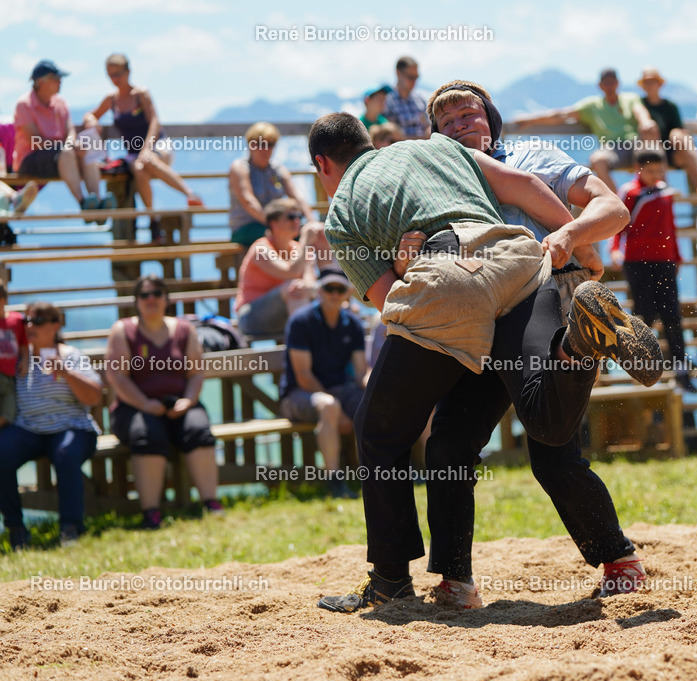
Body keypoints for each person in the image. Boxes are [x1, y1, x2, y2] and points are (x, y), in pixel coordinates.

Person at [307, 112, 662, 612]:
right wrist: (577, 243)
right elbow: (521, 185)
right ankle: (578, 345)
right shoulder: (434, 148)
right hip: (517, 261)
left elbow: (390, 302)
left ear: (322, 163)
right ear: (366, 140)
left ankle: (390, 580)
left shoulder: (341, 210)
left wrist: (412, 278)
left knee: (378, 430)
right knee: (536, 423)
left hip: (446, 275)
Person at [422, 80, 649, 607]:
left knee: (551, 448)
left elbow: (613, 209)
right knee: (449, 445)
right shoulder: (438, 179)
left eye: (469, 113)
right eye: (448, 121)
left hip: (537, 298)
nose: (461, 124)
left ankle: (619, 559)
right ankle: (456, 581)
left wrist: (570, 236)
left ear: (491, 118)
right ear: (436, 136)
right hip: (474, 319)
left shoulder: (531, 155)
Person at [105, 275, 223, 529]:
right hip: (134, 407)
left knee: (198, 429)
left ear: (166, 299)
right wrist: (145, 404)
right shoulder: (122, 330)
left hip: (180, 404)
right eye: (145, 295)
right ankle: (151, 512)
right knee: (147, 434)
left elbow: (196, 372)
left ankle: (210, 503)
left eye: (157, 293)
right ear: (136, 301)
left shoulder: (183, 329)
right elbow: (117, 377)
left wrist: (189, 401)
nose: (151, 299)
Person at [0, 302, 102, 548]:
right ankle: (16, 530)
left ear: (56, 325)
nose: (31, 326)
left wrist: (66, 372)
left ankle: (70, 528)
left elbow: (94, 397)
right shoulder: (17, 358)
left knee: (66, 453)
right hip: (29, 430)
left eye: (39, 321)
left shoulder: (71, 355)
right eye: (28, 321)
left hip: (72, 427)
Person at [84, 53, 203, 242]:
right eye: (111, 75)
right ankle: (154, 220)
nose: (115, 79)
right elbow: (90, 115)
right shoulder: (111, 99)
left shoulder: (140, 94)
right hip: (134, 154)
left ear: (128, 71)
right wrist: (91, 120)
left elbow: (155, 122)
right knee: (139, 168)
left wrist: (147, 147)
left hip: (158, 145)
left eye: (118, 74)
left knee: (146, 161)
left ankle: (190, 194)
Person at [612, 146, 697, 391]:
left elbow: (670, 227)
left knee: (672, 313)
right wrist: (615, 249)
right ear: (638, 169)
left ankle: (681, 368)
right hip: (637, 260)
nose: (655, 175)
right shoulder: (630, 192)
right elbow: (619, 222)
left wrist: (677, 256)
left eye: (659, 170)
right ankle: (644, 367)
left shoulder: (665, 192)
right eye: (650, 171)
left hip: (664, 260)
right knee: (644, 314)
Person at [280, 269, 366, 498]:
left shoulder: (354, 324)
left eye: (340, 289)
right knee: (329, 407)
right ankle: (334, 482)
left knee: (373, 406)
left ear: (347, 293)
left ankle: (378, 476)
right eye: (329, 289)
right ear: (319, 291)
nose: (334, 294)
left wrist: (379, 393)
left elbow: (360, 374)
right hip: (298, 394)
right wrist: (340, 412)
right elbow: (304, 376)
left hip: (340, 390)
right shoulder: (301, 321)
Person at [514, 68, 661, 193]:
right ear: (600, 85)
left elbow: (640, 112)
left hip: (637, 144)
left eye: (612, 82)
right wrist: (531, 119)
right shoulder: (592, 106)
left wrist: (646, 122)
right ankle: (619, 206)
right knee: (597, 160)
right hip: (612, 148)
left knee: (650, 133)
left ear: (618, 83)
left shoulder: (630, 98)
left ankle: (659, 192)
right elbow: (562, 114)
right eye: (606, 82)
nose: (610, 86)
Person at [13, 60, 115, 217]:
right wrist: (68, 147)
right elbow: (35, 141)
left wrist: (74, 146)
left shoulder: (61, 103)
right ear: (41, 82)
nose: (60, 81)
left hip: (59, 156)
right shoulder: (24, 105)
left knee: (84, 150)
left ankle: (97, 203)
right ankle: (84, 204)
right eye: (55, 78)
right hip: (30, 160)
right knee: (68, 153)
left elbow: (70, 131)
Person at [235, 197, 320, 337]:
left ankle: (304, 345)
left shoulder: (300, 249)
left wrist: (306, 286)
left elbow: (310, 284)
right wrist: (306, 241)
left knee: (300, 290)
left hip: (288, 313)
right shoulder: (261, 249)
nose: (297, 221)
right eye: (291, 217)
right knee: (292, 288)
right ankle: (304, 346)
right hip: (250, 318)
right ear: (273, 223)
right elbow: (290, 271)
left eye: (299, 217)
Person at [228, 122, 317, 251]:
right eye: (259, 144)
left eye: (269, 144)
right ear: (250, 145)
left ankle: (319, 270)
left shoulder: (278, 169)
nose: (264, 149)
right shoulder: (239, 167)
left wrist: (311, 221)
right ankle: (288, 270)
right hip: (247, 227)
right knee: (282, 236)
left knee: (309, 235)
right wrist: (273, 224)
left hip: (279, 225)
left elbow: (297, 197)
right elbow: (248, 201)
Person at [635, 67, 697, 195]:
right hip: (650, 151)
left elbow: (679, 130)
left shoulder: (670, 106)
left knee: (679, 135)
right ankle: (662, 184)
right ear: (643, 86)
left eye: (652, 82)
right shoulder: (640, 104)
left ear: (659, 84)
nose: (650, 85)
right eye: (647, 82)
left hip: (672, 151)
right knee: (651, 132)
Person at [0, 283, 29, 430]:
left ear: (3, 300)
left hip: (11, 377)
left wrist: (25, 360)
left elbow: (24, 344)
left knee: (9, 413)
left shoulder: (17, 320)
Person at [382, 56, 430, 140]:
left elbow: (428, 126)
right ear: (398, 73)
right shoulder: (387, 101)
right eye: (410, 77)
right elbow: (390, 136)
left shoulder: (420, 100)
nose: (414, 81)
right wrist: (421, 138)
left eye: (416, 77)